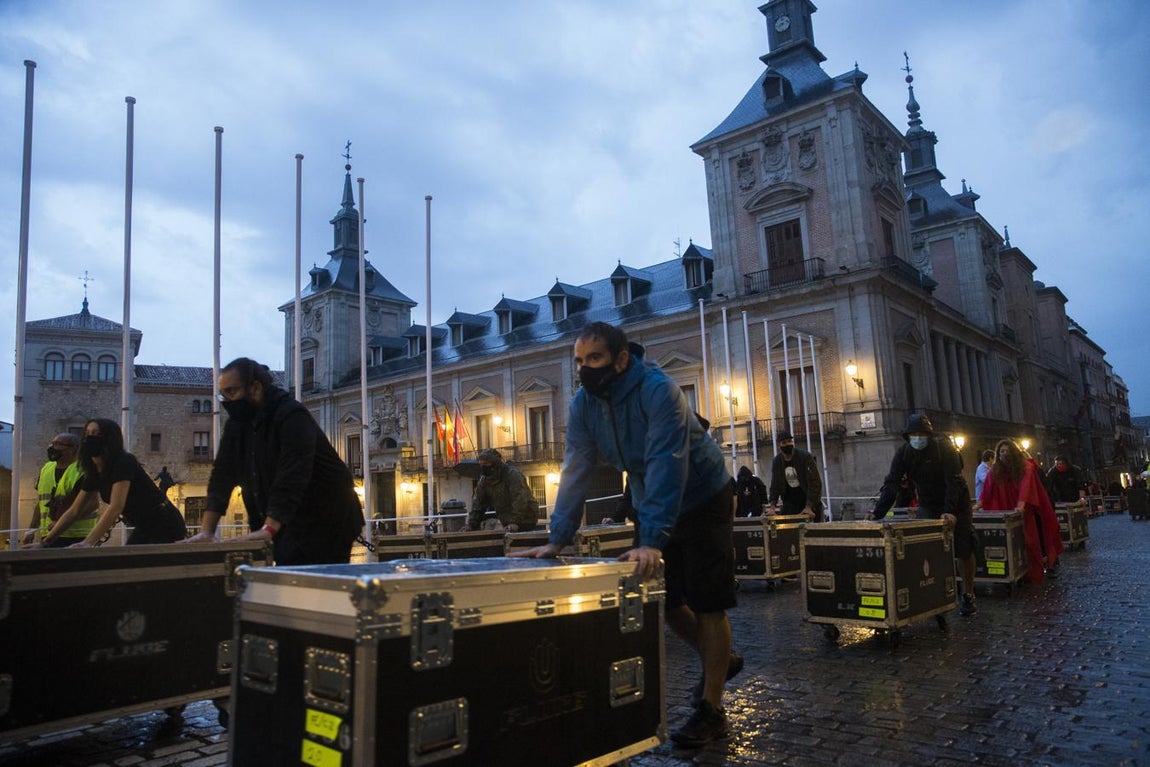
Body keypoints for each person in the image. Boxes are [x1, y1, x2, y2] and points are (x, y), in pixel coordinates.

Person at [512, 322, 739, 748]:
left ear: (621, 359)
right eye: (578, 361)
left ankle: (711, 707)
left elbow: (666, 462)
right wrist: (557, 537)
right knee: (664, 601)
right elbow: (576, 464)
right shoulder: (583, 403)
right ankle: (722, 659)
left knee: (709, 602)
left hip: (703, 492)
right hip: (647, 492)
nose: (584, 369)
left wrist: (651, 539)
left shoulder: (659, 390)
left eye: (593, 359)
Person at [186, 357, 365, 565]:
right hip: (287, 519)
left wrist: (268, 528)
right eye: (222, 395)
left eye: (232, 392)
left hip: (326, 516)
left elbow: (293, 475)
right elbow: (222, 474)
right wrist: (207, 531)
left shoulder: (291, 415)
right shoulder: (237, 425)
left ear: (255, 388)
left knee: (308, 582)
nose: (227, 401)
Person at [872, 414, 979, 616]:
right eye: (914, 434)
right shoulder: (903, 453)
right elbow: (891, 484)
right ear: (908, 436)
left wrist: (950, 510)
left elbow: (953, 481)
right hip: (928, 503)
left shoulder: (944, 448)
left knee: (964, 546)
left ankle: (968, 593)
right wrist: (877, 516)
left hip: (956, 502)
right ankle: (934, 593)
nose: (918, 438)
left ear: (929, 435)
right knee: (927, 548)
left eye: (922, 434)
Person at [42, 419, 187, 546]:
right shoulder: (94, 470)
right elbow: (74, 510)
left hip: (164, 523)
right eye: (87, 433)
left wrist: (88, 542)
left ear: (109, 439)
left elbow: (116, 507)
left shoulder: (124, 462)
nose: (90, 438)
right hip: (143, 526)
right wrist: (45, 543)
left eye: (97, 434)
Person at [980, 439, 1064, 581]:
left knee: (1040, 536)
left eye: (1007, 451)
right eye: (1002, 451)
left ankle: (1050, 564)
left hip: (1033, 508)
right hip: (1012, 509)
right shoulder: (996, 470)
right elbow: (988, 488)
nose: (1005, 454)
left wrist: (1021, 504)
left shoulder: (1027, 467)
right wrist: (978, 504)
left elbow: (1027, 487)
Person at [22, 433, 99, 547]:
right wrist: (31, 530)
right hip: (49, 534)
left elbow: (92, 504)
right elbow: (42, 503)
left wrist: (60, 523)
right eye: (52, 443)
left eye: (58, 444)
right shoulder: (46, 468)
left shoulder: (83, 470)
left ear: (73, 449)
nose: (52, 447)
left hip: (77, 535)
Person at [463, 448, 540, 532]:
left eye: (486, 464)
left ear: (495, 464)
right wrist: (471, 524)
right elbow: (478, 503)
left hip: (527, 519)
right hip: (506, 521)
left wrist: (515, 522)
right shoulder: (484, 481)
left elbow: (519, 499)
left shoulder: (512, 475)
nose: (483, 467)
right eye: (481, 464)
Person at [765, 430, 823, 520]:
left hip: (807, 499)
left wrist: (809, 506)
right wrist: (772, 506)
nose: (788, 444)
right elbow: (775, 484)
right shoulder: (777, 461)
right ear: (779, 445)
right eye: (784, 442)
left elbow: (815, 482)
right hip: (790, 502)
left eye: (790, 441)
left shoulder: (805, 457)